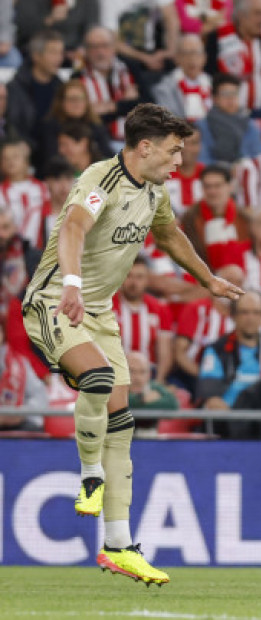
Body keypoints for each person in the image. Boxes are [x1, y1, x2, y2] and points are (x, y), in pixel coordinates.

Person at [19, 103, 243, 585]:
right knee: (96, 379)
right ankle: (89, 480)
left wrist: (208, 280)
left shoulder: (155, 190)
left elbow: (168, 234)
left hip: (98, 311)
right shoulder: (100, 179)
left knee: (122, 422)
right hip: (58, 300)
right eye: (174, 150)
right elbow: (75, 227)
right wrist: (74, 285)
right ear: (145, 147)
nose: (179, 161)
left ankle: (118, 545)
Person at [197, 290, 261, 410]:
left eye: (256, 313)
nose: (251, 318)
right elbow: (211, 395)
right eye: (244, 312)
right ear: (233, 316)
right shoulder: (217, 350)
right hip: (229, 419)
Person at [111, 255, 175, 384]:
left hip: (148, 375)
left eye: (140, 277)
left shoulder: (160, 308)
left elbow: (165, 353)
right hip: (113, 373)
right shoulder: (107, 306)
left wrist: (158, 382)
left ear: (148, 280)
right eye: (129, 276)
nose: (134, 283)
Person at [4, 30, 65, 159]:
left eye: (61, 53)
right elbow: (12, 124)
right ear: (36, 56)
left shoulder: (62, 87)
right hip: (24, 152)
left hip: (57, 153)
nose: (59, 58)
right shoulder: (14, 87)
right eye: (53, 52)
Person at [76, 27, 140, 145]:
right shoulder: (77, 78)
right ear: (86, 50)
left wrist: (111, 106)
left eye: (105, 46)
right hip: (99, 143)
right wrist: (126, 104)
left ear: (114, 48)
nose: (100, 52)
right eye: (94, 47)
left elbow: (147, 104)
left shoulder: (131, 69)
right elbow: (84, 118)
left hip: (135, 142)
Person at [196, 74, 261, 165]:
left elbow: (258, 155)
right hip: (214, 175)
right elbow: (202, 160)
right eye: (225, 94)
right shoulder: (202, 126)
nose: (231, 99)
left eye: (235, 94)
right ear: (215, 98)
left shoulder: (249, 124)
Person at [152, 34, 213, 123]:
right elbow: (167, 119)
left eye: (196, 53)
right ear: (177, 58)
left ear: (204, 58)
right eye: (186, 54)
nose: (192, 59)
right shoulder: (165, 88)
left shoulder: (213, 84)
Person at [0, 139, 48, 249]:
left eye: (15, 157)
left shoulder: (43, 188)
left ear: (26, 161)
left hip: (40, 251)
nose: (10, 161)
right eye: (5, 158)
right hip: (8, 251)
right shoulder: (1, 191)